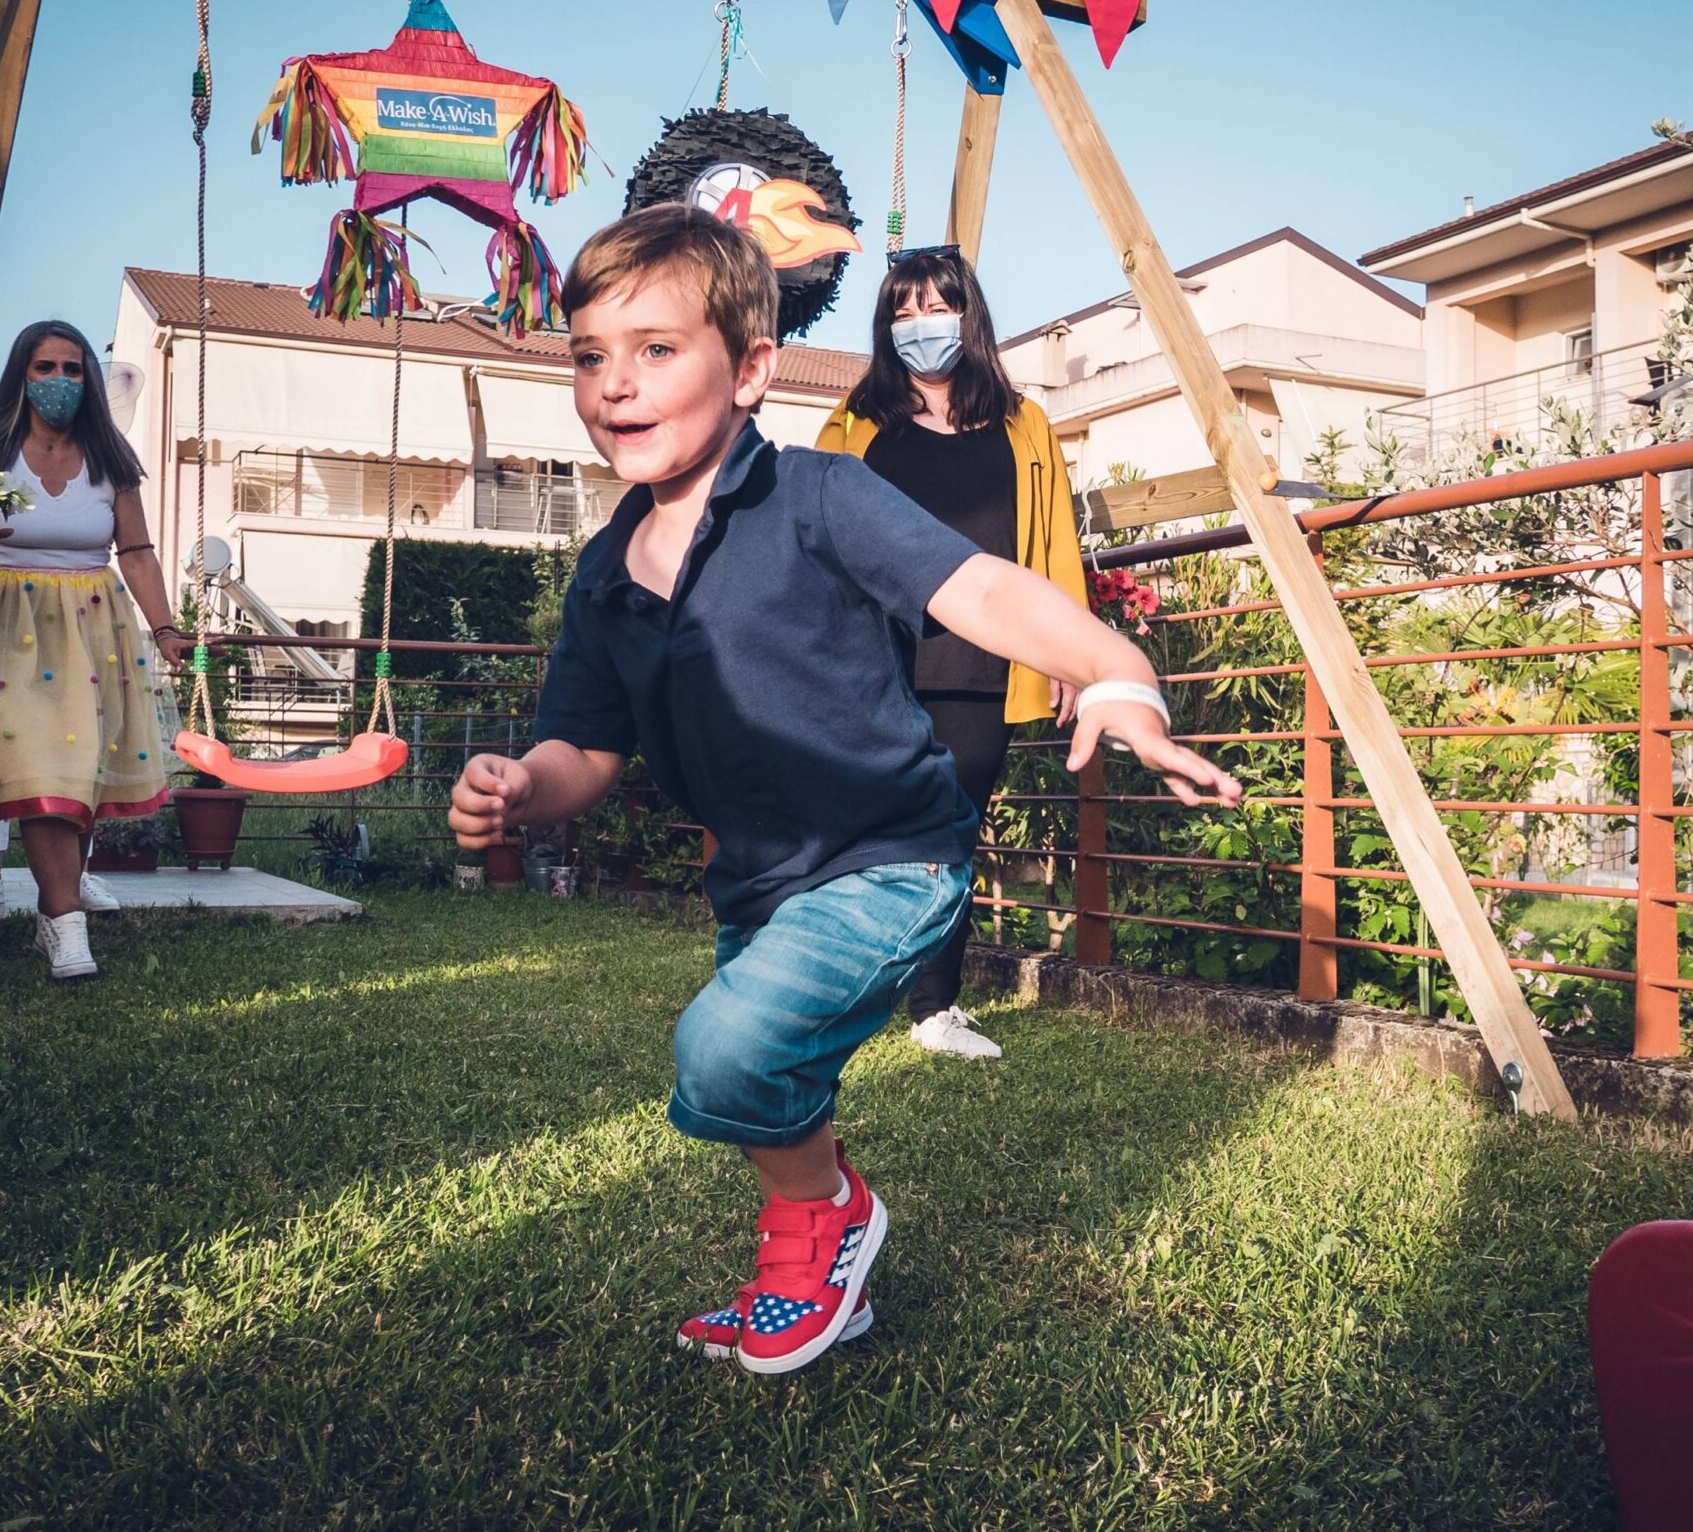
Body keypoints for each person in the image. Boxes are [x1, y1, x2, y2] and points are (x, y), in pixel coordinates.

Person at [447, 206, 1240, 1376]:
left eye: (657, 349)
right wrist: (523, 784)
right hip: (757, 881)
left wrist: (1120, 676)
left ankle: (835, 1218)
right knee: (782, 1070)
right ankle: (811, 1249)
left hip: (889, 855)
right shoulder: (608, 572)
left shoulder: (820, 493)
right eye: (589, 354)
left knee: (727, 1053)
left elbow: (987, 592)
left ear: (752, 368)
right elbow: (586, 748)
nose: (615, 382)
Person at [816, 244, 1084, 1062]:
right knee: (860, 826)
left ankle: (936, 1008)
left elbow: (1054, 546)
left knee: (950, 837)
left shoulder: (1024, 422)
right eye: (902, 310)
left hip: (984, 663)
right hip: (873, 657)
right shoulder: (857, 421)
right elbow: (812, 533)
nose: (920, 323)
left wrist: (1069, 649)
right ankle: (840, 986)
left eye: (936, 305)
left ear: (969, 315)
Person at [0, 320, 190, 980]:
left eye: (73, 369)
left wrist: (165, 630)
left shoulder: (110, 459)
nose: (58, 381)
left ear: (90, 381)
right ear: (22, 374)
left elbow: (135, 553)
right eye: (45, 368)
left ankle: (56, 918)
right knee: (41, 771)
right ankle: (67, 923)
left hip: (91, 628)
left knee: (74, 774)